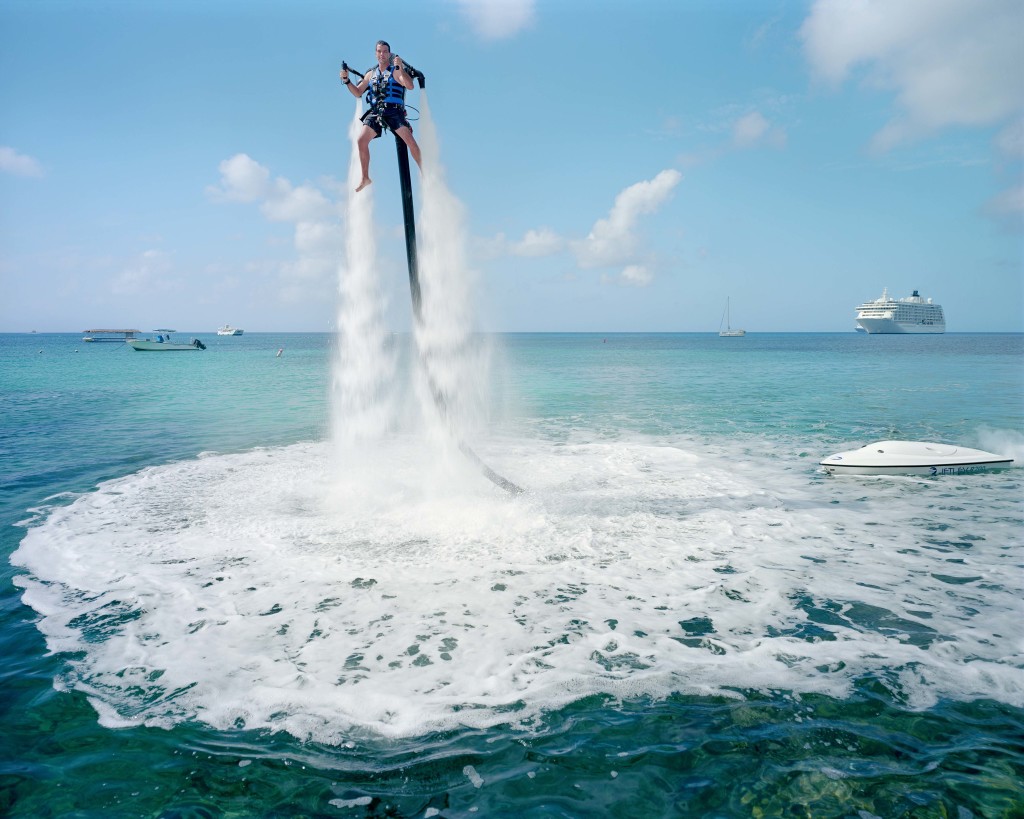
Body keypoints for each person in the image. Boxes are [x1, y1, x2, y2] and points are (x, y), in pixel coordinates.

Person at [340, 40, 422, 192]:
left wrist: (401, 68)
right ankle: (365, 177)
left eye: (385, 51)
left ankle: (425, 171)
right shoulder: (370, 74)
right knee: (361, 140)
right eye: (379, 51)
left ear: (389, 54)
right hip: (376, 111)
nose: (382, 54)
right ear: (376, 53)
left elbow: (410, 86)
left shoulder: (396, 70)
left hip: (394, 111)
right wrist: (346, 80)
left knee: (410, 141)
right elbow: (358, 92)